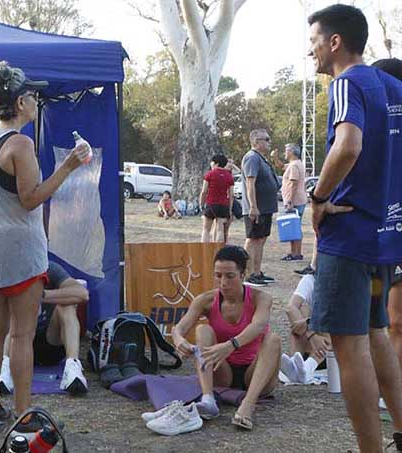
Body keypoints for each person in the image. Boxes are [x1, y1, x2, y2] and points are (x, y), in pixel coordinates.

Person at [307, 5, 402, 451]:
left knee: (349, 348)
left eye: (313, 42)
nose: (311, 52)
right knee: (377, 334)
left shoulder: (347, 82)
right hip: (381, 240)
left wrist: (318, 198)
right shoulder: (389, 85)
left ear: (335, 42)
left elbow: (348, 145)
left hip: (348, 237)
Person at [0, 61, 87, 433]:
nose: (37, 101)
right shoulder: (20, 143)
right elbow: (30, 199)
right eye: (33, 96)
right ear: (20, 102)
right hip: (20, 248)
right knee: (21, 333)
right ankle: (23, 415)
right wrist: (68, 166)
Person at [171, 246, 280, 431]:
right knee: (202, 330)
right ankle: (208, 400)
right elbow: (179, 328)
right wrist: (179, 340)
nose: (223, 283)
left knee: (274, 339)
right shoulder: (205, 300)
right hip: (222, 371)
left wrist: (231, 345)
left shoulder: (261, 298)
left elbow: (258, 326)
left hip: (255, 372)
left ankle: (247, 405)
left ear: (243, 275)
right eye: (218, 275)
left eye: (230, 276)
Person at [0, 261, 89, 396]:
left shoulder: (50, 268)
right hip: (17, 344)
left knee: (68, 307)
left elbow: (82, 294)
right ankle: (5, 367)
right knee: (12, 309)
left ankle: (73, 367)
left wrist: (40, 296)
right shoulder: (9, 270)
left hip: (51, 343)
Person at [373, 57, 402, 382]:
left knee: (395, 319)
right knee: (392, 320)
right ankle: (393, 386)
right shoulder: (370, 121)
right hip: (382, 235)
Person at [279, 254, 330, 384]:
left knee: (329, 324)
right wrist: (310, 333)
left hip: (331, 349)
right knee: (301, 310)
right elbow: (291, 308)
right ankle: (295, 364)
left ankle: (308, 367)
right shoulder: (310, 279)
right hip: (311, 343)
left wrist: (309, 323)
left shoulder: (343, 284)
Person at [240, 129, 279, 287]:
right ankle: (248, 274)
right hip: (256, 208)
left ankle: (256, 272)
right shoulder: (252, 157)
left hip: (265, 208)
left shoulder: (261, 158)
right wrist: (253, 206)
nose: (269, 142)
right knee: (253, 239)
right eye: (266, 139)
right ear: (256, 141)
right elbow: (250, 183)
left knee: (261, 239)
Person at [281, 143, 308, 262]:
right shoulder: (296, 163)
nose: (285, 153)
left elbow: (293, 183)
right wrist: (275, 158)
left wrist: (290, 200)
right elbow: (282, 166)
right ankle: (295, 252)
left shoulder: (294, 166)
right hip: (298, 200)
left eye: (286, 151)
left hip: (295, 201)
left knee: (294, 228)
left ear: (291, 152)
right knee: (294, 227)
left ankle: (296, 253)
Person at [199, 154, 234, 242]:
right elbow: (231, 195)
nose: (211, 164)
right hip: (223, 205)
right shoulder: (229, 176)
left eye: (212, 162)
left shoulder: (210, 174)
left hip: (211, 204)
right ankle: (218, 248)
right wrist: (230, 209)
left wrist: (201, 203)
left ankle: (205, 249)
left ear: (216, 163)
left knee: (206, 229)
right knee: (220, 229)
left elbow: (204, 191)